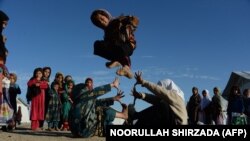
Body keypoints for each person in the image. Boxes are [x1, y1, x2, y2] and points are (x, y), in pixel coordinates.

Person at [91, 9, 139, 79]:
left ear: (106, 16)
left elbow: (134, 20)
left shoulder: (117, 21)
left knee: (119, 47)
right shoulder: (106, 34)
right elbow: (108, 46)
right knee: (97, 45)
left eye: (102, 18)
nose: (101, 22)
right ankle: (118, 62)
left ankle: (126, 67)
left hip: (128, 45)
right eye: (98, 22)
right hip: (117, 48)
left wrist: (132, 21)